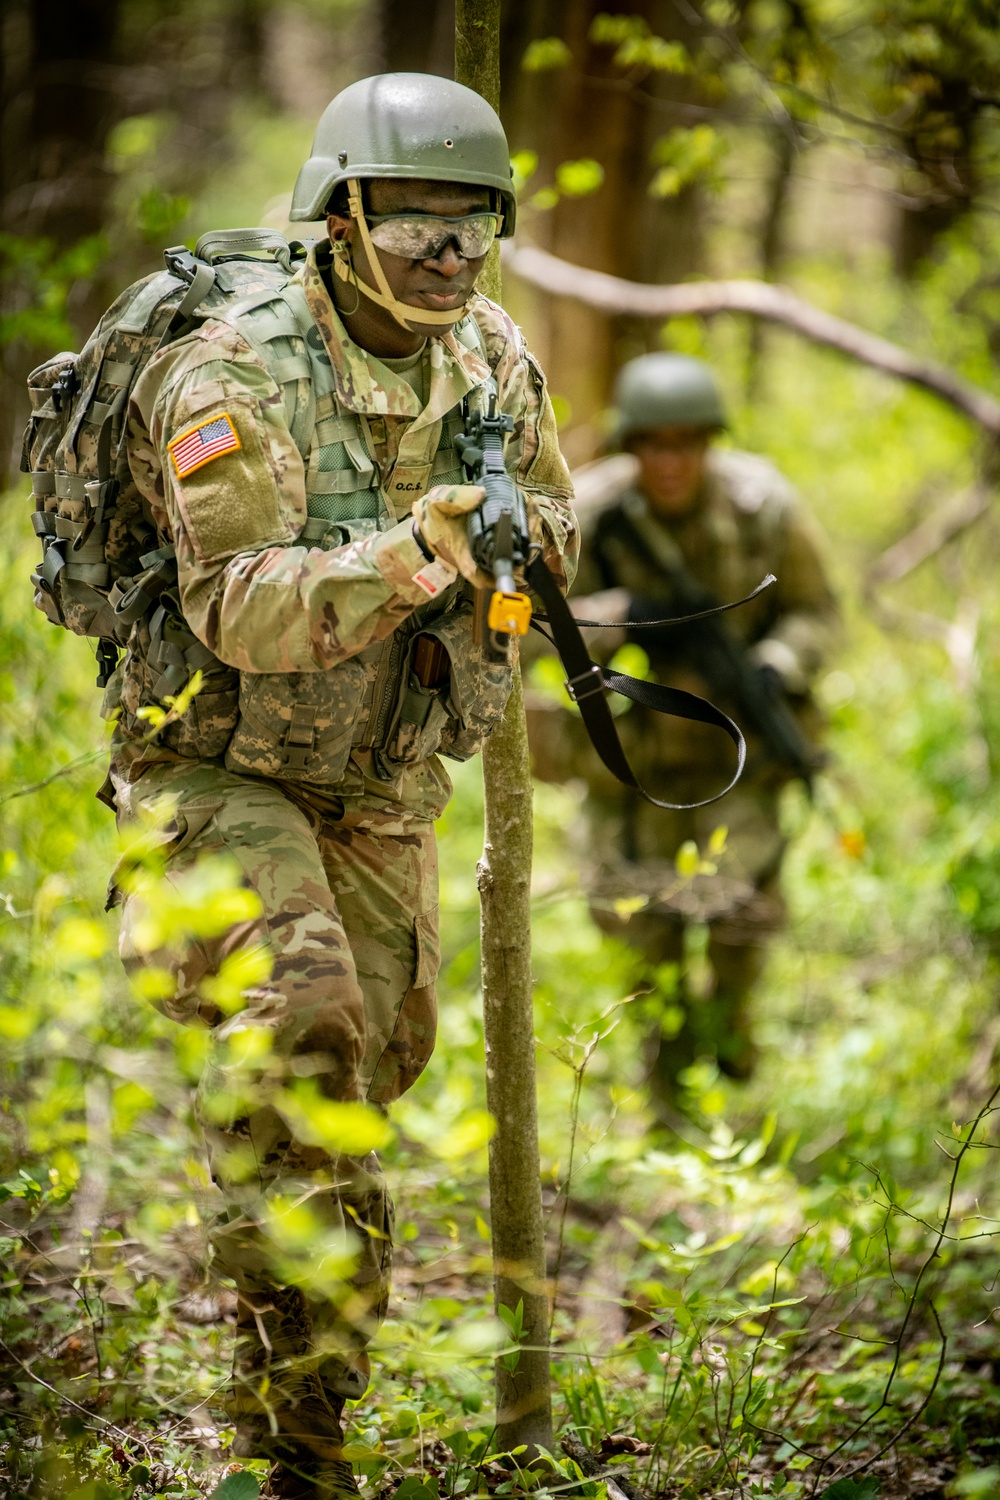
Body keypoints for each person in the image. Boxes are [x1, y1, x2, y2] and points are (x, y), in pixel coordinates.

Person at [113, 73, 576, 1498]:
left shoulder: (490, 354)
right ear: (340, 214)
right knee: (303, 1037)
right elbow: (240, 611)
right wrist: (415, 552)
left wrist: (517, 541)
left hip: (381, 779)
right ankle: (287, 1450)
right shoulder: (232, 370)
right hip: (216, 766)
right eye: (415, 223)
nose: (447, 257)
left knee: (363, 1090)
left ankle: (312, 1406)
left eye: (472, 226)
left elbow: (558, 515)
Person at [527, 352, 836, 1117]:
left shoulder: (763, 506)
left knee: (740, 916)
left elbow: (819, 612)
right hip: (629, 763)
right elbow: (527, 628)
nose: (671, 462)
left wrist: (777, 661)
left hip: (741, 754)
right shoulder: (587, 516)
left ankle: (730, 1030)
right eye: (654, 445)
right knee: (641, 926)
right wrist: (618, 619)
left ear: (709, 443)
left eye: (687, 444)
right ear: (633, 446)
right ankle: (663, 1083)